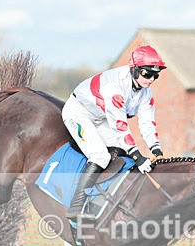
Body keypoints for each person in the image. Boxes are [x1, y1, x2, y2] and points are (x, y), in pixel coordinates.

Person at [62, 45, 166, 220]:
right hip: (78, 112)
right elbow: (120, 126)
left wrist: (156, 150)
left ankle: (103, 196)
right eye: (147, 74)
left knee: (122, 151)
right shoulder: (115, 87)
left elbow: (147, 122)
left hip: (101, 117)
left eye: (155, 75)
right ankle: (76, 205)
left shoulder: (146, 92)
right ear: (134, 69)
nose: (151, 79)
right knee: (100, 156)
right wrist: (139, 157)